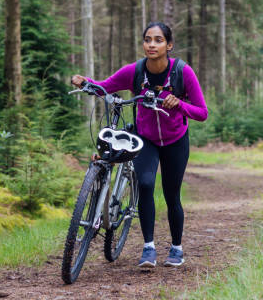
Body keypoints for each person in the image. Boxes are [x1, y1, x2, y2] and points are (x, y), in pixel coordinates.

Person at [71, 21, 208, 268]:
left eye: (158, 40)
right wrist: (84, 82)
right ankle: (149, 247)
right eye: (147, 40)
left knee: (171, 194)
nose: (152, 44)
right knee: (145, 184)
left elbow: (202, 112)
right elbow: (105, 87)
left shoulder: (182, 72)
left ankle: (176, 247)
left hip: (176, 140)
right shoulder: (135, 71)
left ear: (169, 45)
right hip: (146, 138)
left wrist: (179, 104)